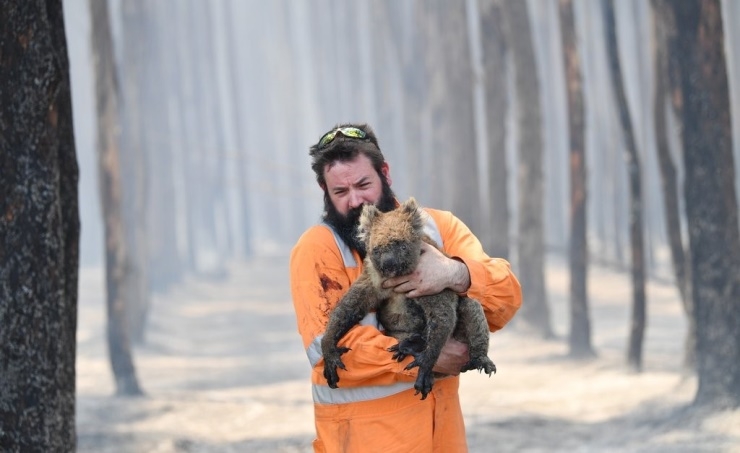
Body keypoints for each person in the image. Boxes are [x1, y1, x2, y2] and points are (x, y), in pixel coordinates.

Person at [289, 123, 522, 453]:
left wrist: (455, 273)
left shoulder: (438, 228)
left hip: (443, 440)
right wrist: (426, 357)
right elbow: (324, 344)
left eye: (363, 184)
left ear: (385, 173)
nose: (355, 200)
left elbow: (507, 297)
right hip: (362, 443)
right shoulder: (318, 248)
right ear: (324, 190)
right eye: (340, 192)